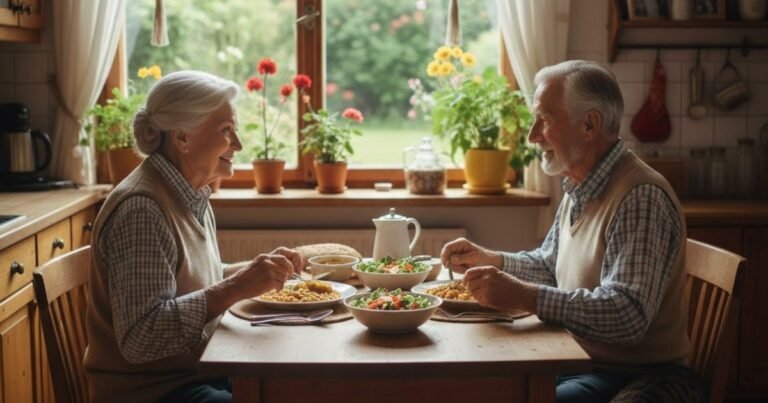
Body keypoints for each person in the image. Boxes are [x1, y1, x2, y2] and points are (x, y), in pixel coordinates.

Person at [441, 60, 689, 403]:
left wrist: (525, 296)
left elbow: (627, 313)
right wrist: (494, 261)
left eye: (545, 119)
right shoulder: (579, 184)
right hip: (577, 356)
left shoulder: (639, 196)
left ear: (589, 124)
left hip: (633, 376)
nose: (532, 135)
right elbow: (550, 265)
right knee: (478, 382)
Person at [83, 70, 304, 403]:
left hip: (199, 371)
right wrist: (238, 286)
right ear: (181, 138)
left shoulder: (188, 191)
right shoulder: (142, 209)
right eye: (226, 131)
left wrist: (262, 271)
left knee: (296, 383)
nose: (239, 145)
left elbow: (191, 279)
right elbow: (142, 336)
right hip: (155, 392)